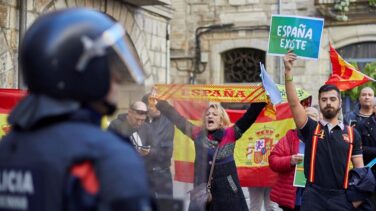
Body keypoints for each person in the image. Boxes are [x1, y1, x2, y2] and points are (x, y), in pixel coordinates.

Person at [0, 8, 153, 211]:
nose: (116, 79)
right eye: (108, 70)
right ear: (86, 72)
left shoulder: (8, 148)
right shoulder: (107, 156)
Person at [151, 95, 266, 211]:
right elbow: (177, 119)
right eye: (207, 114)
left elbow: (250, 116)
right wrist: (160, 102)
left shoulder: (230, 134)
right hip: (203, 194)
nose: (210, 116)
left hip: (229, 192)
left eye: (214, 114)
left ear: (221, 121)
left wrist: (262, 99)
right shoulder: (197, 133)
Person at [283, 51, 364, 211]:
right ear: (319, 102)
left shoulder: (352, 133)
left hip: (342, 197)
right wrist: (288, 72)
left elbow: (360, 170)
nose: (328, 103)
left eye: (333, 99)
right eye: (324, 99)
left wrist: (356, 200)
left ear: (340, 103)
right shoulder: (311, 127)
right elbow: (293, 104)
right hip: (313, 197)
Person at [269, 107, 320, 211]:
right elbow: (273, 161)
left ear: (318, 120)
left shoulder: (323, 139)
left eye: (313, 116)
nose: (309, 119)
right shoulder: (289, 138)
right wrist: (290, 160)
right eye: (306, 116)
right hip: (292, 196)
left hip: (315, 196)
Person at [141, 94, 175, 198]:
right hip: (144, 172)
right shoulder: (140, 122)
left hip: (162, 172)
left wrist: (149, 151)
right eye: (153, 105)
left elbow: (164, 150)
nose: (157, 108)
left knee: (166, 205)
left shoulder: (167, 120)